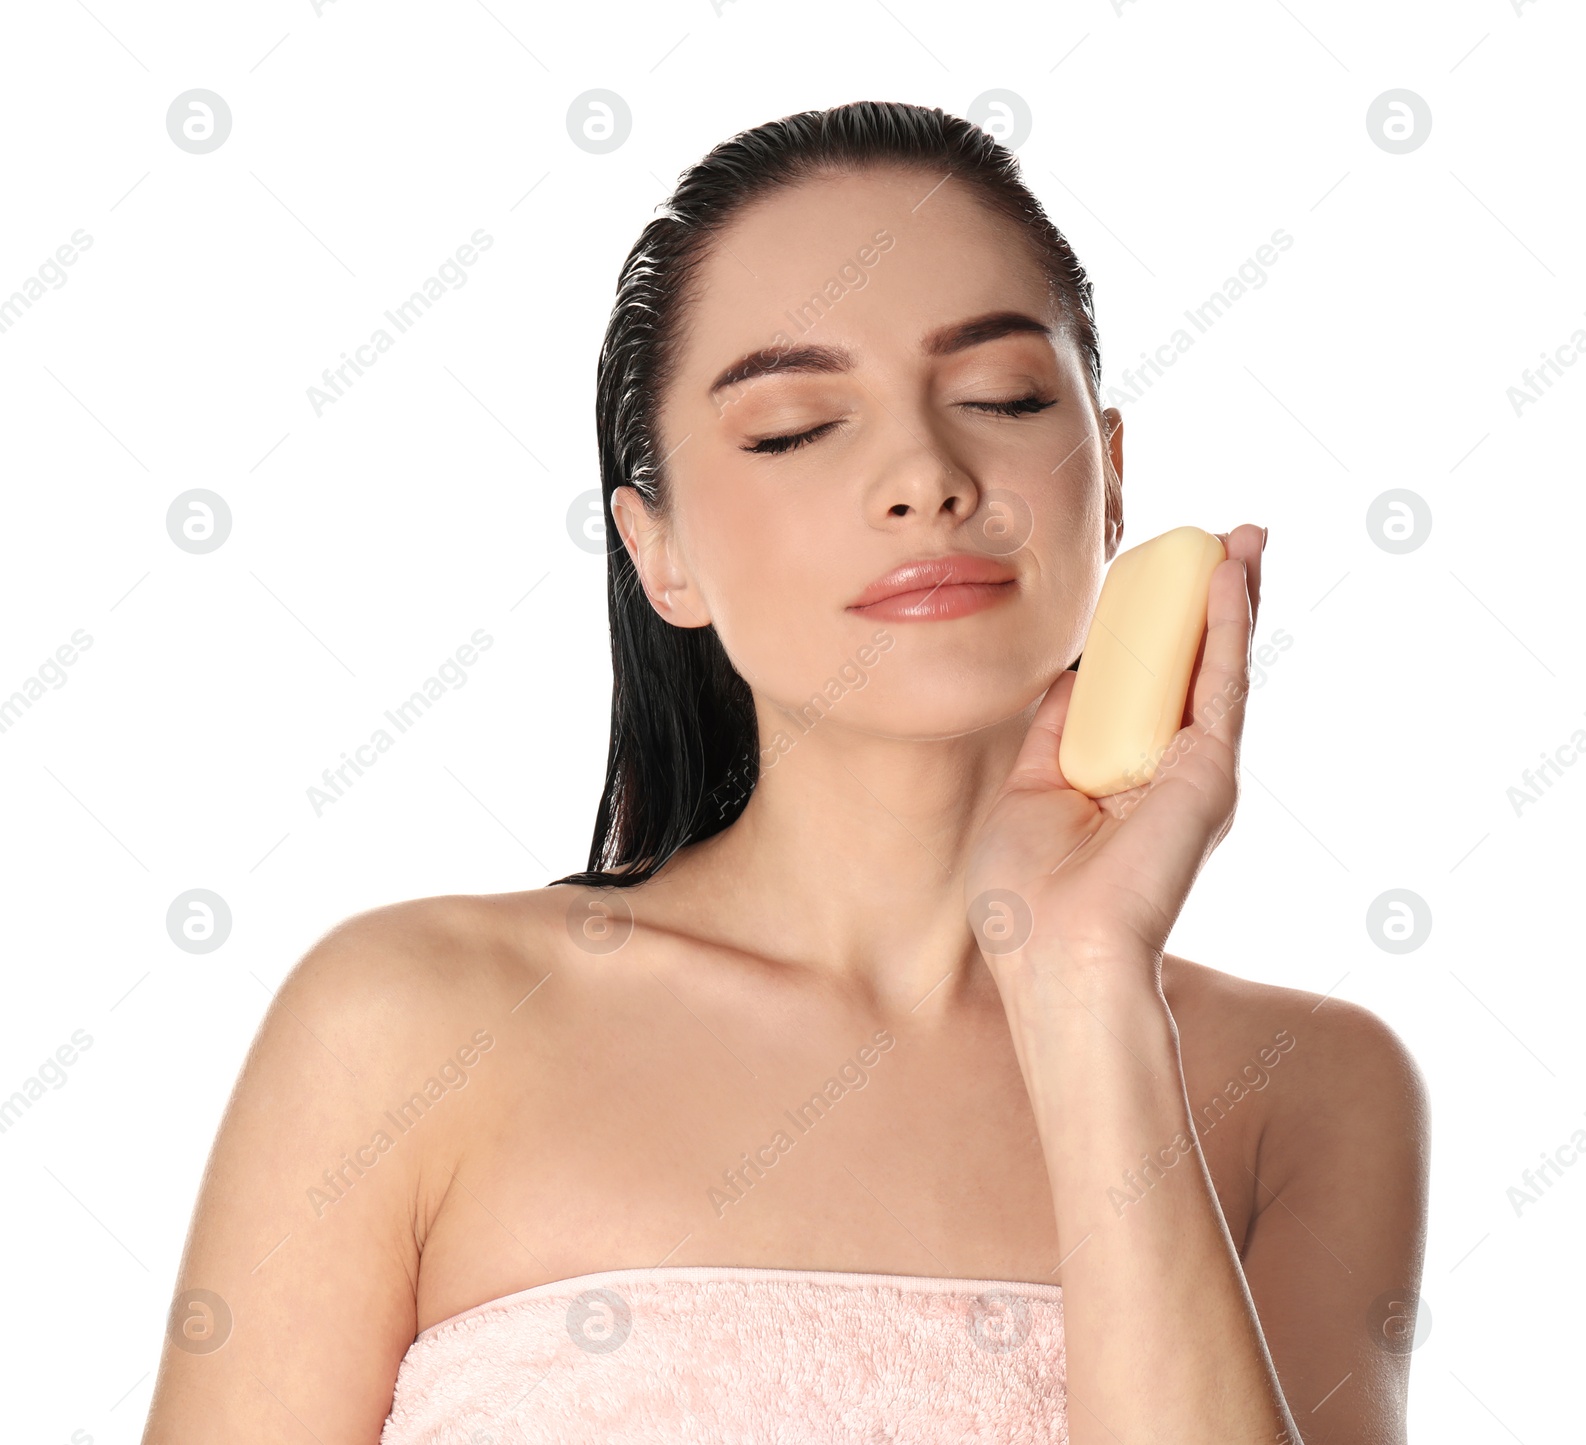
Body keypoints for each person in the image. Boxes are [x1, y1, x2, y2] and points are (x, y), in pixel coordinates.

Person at [143, 100, 1429, 1444]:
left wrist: (1093, 991)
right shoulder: (407, 1027)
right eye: (797, 425)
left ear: (1109, 479)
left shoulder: (1311, 1091)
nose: (926, 474)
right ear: (661, 553)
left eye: (999, 397)